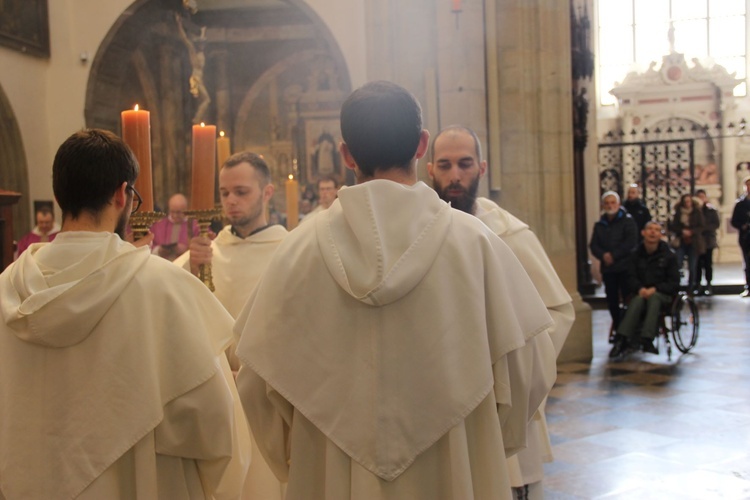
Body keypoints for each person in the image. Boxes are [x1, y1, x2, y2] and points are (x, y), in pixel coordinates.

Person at [234, 81, 557, 499]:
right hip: (454, 467)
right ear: (422, 146)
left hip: (332, 472)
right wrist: (488, 441)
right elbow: (529, 366)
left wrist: (293, 455)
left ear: (346, 154)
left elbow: (255, 380)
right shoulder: (475, 243)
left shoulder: (297, 250)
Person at [0, 129, 249, 499]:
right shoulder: (163, 287)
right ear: (123, 195)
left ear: (57, 196)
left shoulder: (7, 287)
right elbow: (212, 421)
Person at [427, 125, 574, 500]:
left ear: (482, 168)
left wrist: (510, 370)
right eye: (444, 165)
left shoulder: (509, 234)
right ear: (429, 170)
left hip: (501, 400)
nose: (455, 175)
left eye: (465, 164)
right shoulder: (419, 234)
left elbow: (556, 311)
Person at [174, 150, 288, 499]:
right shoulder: (207, 252)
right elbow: (169, 303)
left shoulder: (288, 250)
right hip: (217, 395)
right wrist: (191, 270)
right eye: (224, 193)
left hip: (269, 397)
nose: (231, 202)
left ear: (267, 193)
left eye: (242, 192)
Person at [609, 221, 680, 358]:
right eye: (650, 229)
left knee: (654, 298)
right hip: (641, 292)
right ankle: (622, 338)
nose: (653, 232)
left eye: (656, 230)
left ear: (660, 235)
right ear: (643, 233)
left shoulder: (669, 256)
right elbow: (630, 277)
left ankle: (647, 338)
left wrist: (656, 288)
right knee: (637, 300)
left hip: (663, 294)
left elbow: (674, 282)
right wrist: (640, 288)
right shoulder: (635, 254)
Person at [590, 191, 638, 331]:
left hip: (625, 267)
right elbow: (594, 245)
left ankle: (629, 327)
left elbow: (630, 242)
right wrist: (604, 255)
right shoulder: (600, 224)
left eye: (613, 202)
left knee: (628, 299)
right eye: (607, 203)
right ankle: (618, 326)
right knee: (612, 300)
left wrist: (614, 255)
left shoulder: (628, 221)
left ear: (618, 204)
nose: (610, 206)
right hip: (608, 269)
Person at [668, 193, 705, 294]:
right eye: (685, 202)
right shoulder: (678, 213)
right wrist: (682, 231)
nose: (687, 203)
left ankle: (690, 288)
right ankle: (677, 286)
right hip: (681, 241)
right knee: (678, 264)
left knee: (692, 266)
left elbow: (701, 226)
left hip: (694, 242)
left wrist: (691, 232)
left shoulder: (697, 212)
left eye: (689, 201)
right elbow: (673, 226)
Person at [149, 193, 200, 261]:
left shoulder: (195, 226)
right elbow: (147, 246)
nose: (175, 215)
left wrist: (187, 249)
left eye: (178, 212)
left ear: (186, 209)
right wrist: (159, 250)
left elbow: (206, 246)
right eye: (172, 212)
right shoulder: (158, 225)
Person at [695, 189, 720, 295]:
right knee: (697, 264)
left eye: (702, 196)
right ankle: (698, 285)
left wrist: (702, 228)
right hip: (697, 241)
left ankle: (709, 285)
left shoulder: (711, 210)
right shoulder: (694, 211)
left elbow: (716, 224)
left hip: (708, 240)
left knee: (708, 264)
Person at [731, 176, 750, 297]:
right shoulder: (740, 204)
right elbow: (734, 221)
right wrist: (743, 226)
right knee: (748, 263)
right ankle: (748, 286)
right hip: (746, 238)